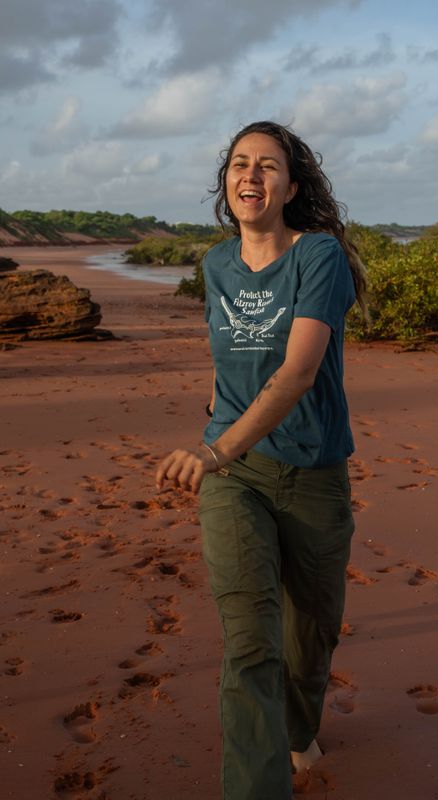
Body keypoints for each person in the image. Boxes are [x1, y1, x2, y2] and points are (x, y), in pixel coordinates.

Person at [156, 121, 367, 800]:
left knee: (308, 638)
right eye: (240, 164)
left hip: (312, 473)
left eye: (268, 166)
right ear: (226, 183)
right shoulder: (215, 264)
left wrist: (217, 444)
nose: (251, 175)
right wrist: (218, 446)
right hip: (234, 475)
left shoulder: (319, 258)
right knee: (250, 644)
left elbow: (299, 372)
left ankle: (299, 727)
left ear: (291, 186)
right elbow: (231, 368)